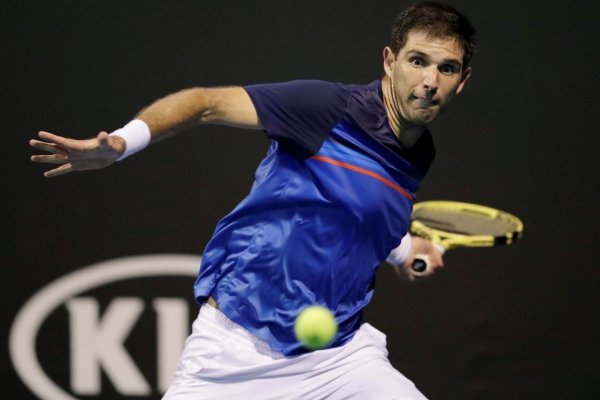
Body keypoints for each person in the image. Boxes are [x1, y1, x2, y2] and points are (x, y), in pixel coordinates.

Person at [30, 2, 475, 398]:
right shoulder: (325, 108)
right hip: (234, 352)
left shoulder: (419, 153)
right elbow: (205, 103)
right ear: (390, 61)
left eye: (447, 68)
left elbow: (361, 212)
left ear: (462, 80)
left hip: (339, 359)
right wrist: (124, 143)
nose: (430, 81)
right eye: (418, 61)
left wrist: (402, 250)